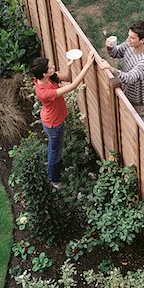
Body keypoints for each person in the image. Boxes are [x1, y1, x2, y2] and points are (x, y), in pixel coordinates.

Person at [30, 51, 94, 189]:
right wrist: (87, 65)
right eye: (51, 67)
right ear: (44, 73)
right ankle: (55, 180)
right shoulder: (44, 91)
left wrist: (69, 66)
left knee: (54, 148)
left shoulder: (48, 77)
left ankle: (53, 167)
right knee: (55, 152)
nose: (53, 68)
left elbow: (68, 78)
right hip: (54, 124)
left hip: (52, 119)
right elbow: (72, 86)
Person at [99, 20, 144, 134]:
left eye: (133, 38)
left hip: (140, 103)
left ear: (142, 40)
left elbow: (130, 78)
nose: (129, 39)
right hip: (127, 93)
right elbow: (116, 53)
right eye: (129, 36)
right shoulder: (130, 44)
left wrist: (111, 69)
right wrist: (110, 47)